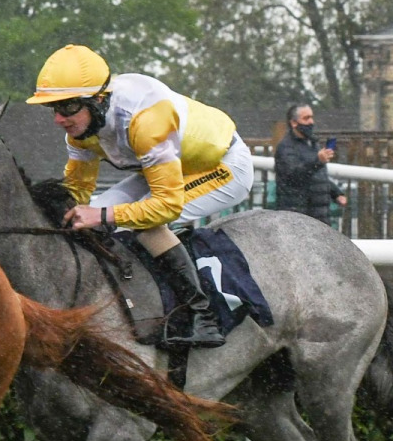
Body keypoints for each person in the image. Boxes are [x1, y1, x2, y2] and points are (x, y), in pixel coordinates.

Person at [25, 44, 255, 348]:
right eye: (54, 108)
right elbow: (78, 194)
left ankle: (204, 316)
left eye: (68, 107)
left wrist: (104, 216)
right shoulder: (80, 130)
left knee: (142, 223)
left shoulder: (146, 121)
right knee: (91, 215)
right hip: (170, 168)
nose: (59, 118)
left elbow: (167, 206)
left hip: (222, 167)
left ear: (98, 100)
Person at [274, 103, 346, 225]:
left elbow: (317, 177)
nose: (311, 122)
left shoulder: (313, 144)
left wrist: (336, 193)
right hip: (298, 216)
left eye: (311, 117)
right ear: (294, 123)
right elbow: (293, 175)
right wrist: (318, 161)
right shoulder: (286, 147)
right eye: (306, 118)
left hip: (318, 215)